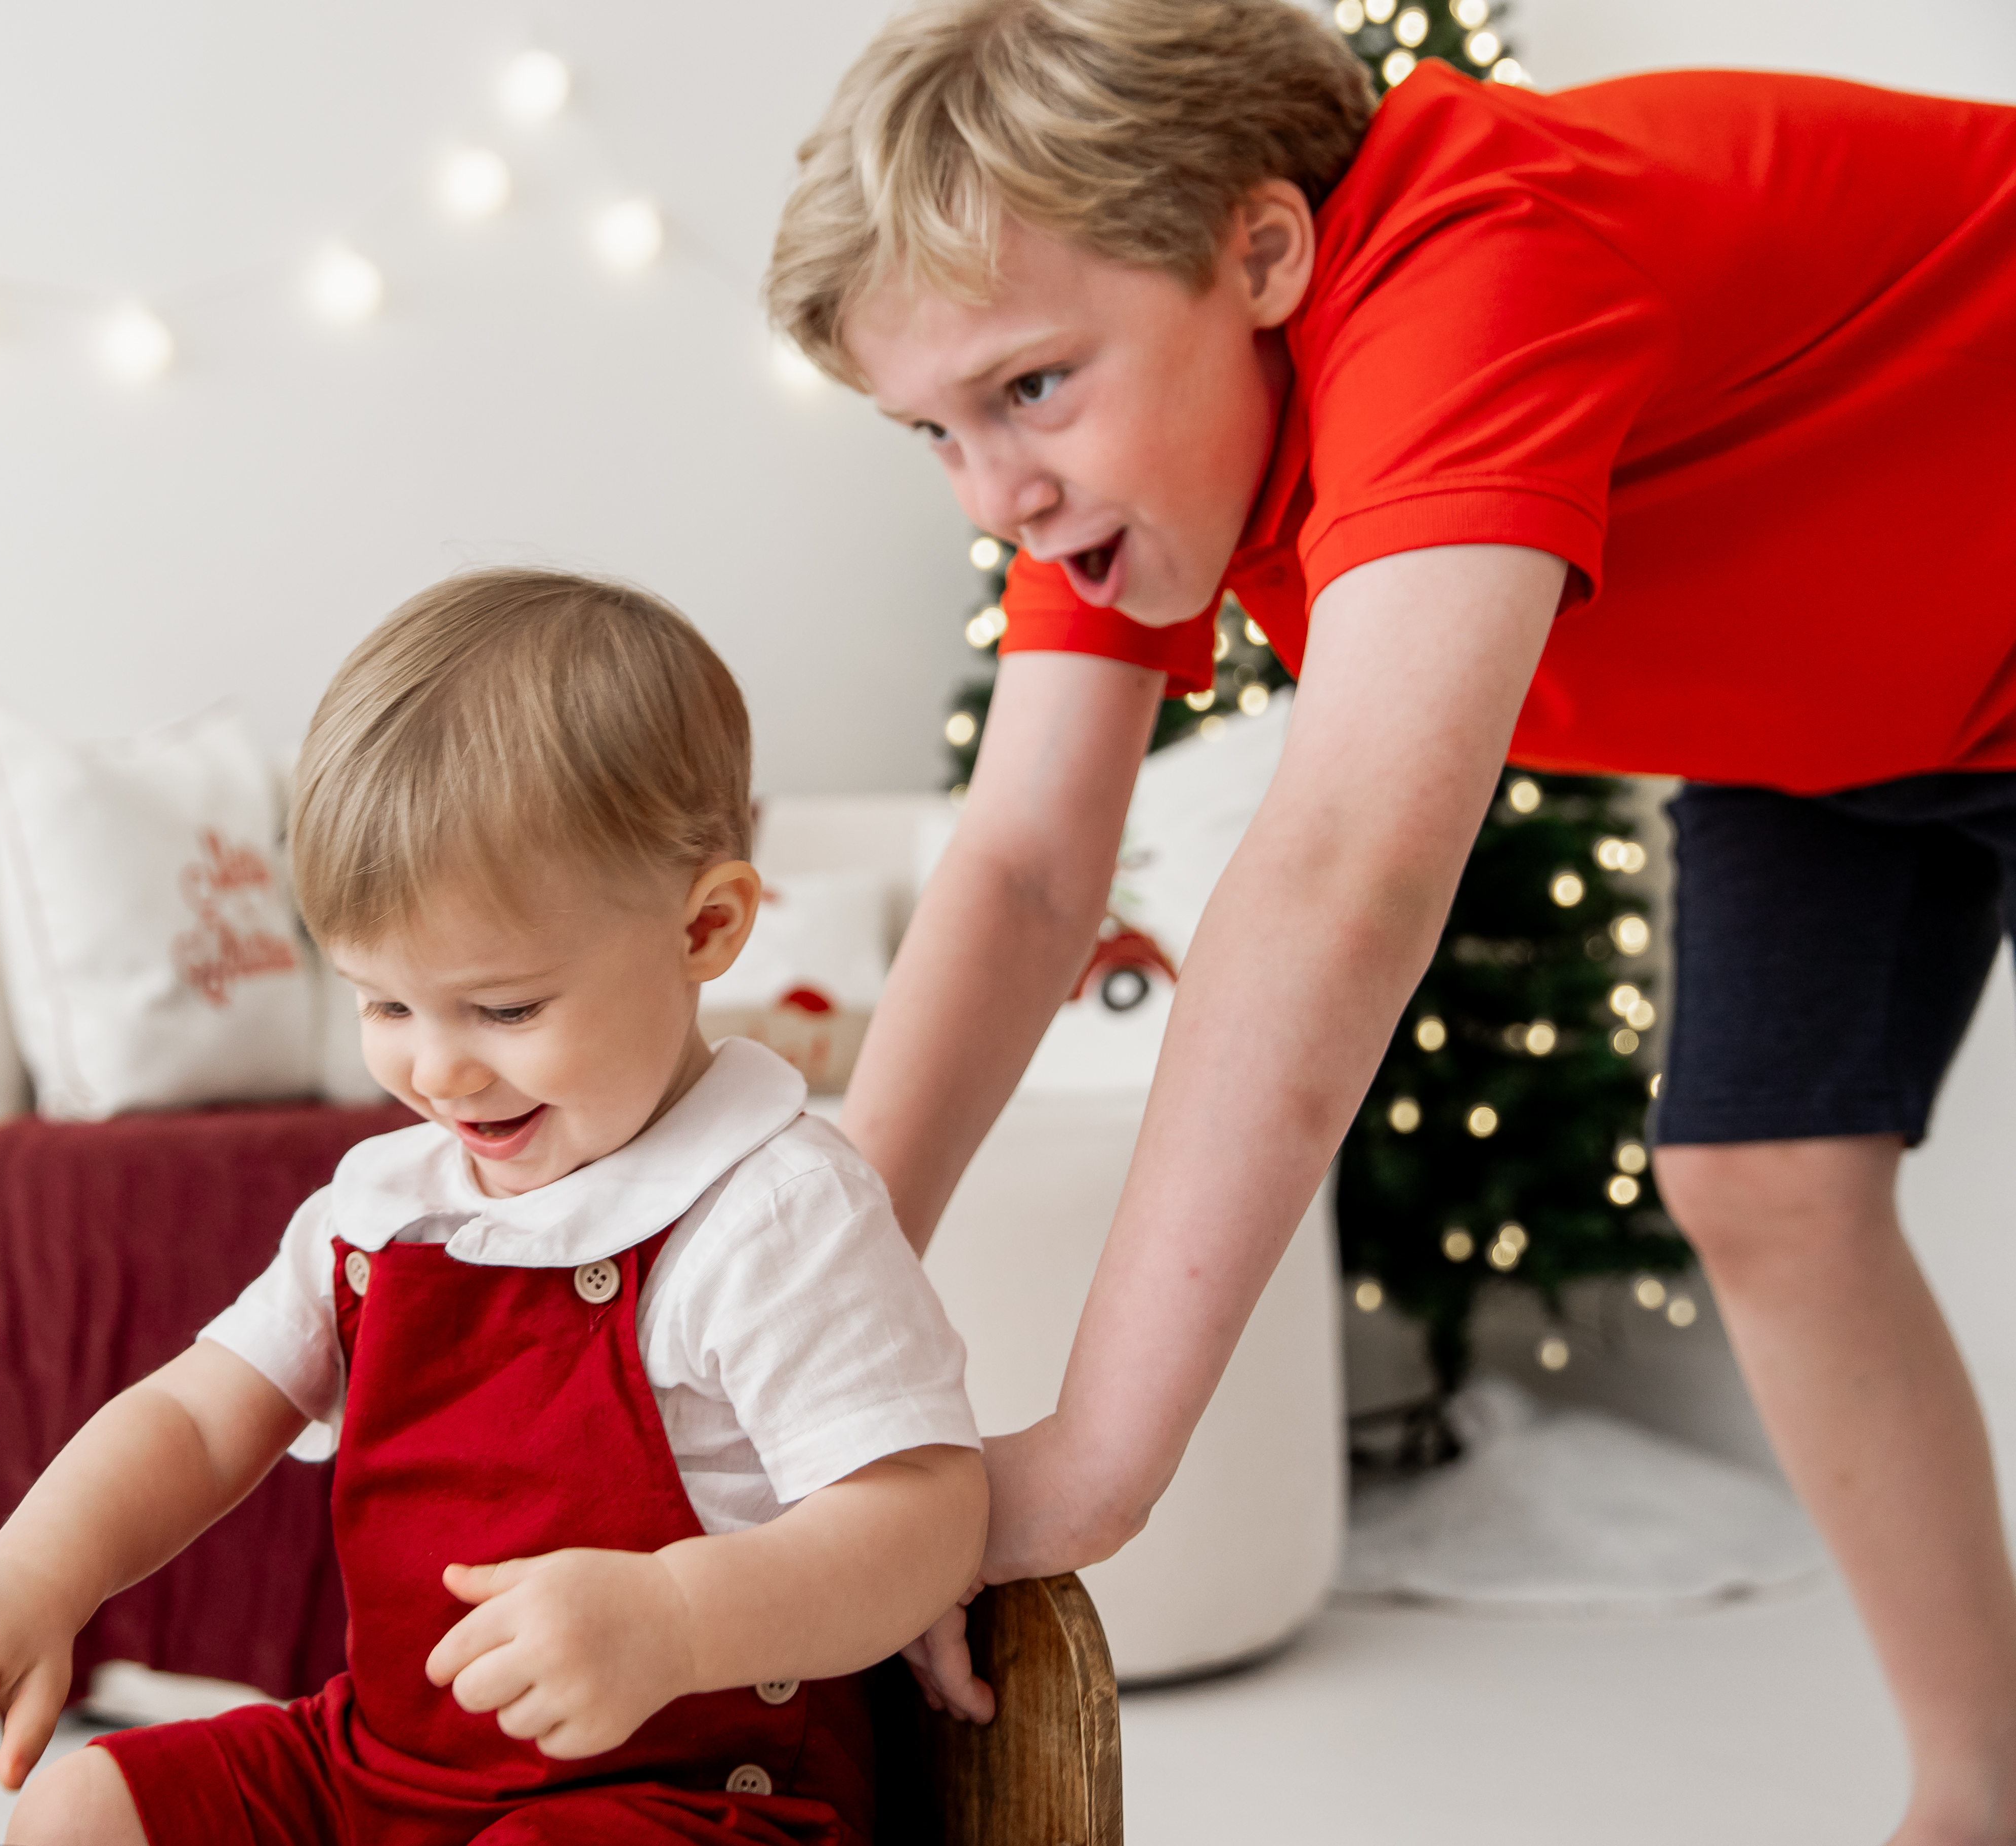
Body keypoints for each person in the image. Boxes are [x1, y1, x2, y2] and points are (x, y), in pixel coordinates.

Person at [766, 1, 2016, 1837]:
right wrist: (800, 1316)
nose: (996, 491)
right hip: (1867, 704)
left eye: (1028, 387)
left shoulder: (1470, 268)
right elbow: (1029, 866)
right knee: (1765, 1179)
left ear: (1261, 249)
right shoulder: (1135, 463)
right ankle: (1978, 1786)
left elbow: (1348, 856)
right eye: (933, 429)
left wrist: (1098, 1461)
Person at [0, 568, 987, 1845]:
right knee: (83, 1809)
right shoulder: (386, 1209)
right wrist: (26, 1578)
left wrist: (676, 1620)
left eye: (506, 1009)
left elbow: (924, 1517)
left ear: (704, 928)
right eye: (385, 1005)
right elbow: (196, 1413)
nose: (438, 1072)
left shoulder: (771, 1210)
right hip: (381, 1770)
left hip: (682, 1803)